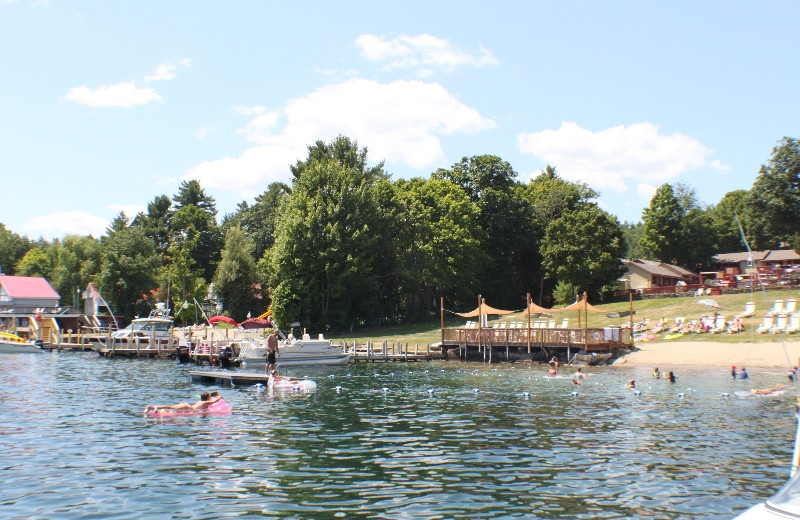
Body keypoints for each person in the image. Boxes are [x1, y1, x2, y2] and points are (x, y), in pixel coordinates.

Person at [143, 391, 221, 417]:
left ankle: (151, 407)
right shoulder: (206, 402)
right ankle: (154, 407)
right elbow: (215, 400)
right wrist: (219, 396)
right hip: (188, 408)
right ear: (207, 398)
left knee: (171, 408)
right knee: (171, 407)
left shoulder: (200, 401)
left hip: (187, 406)